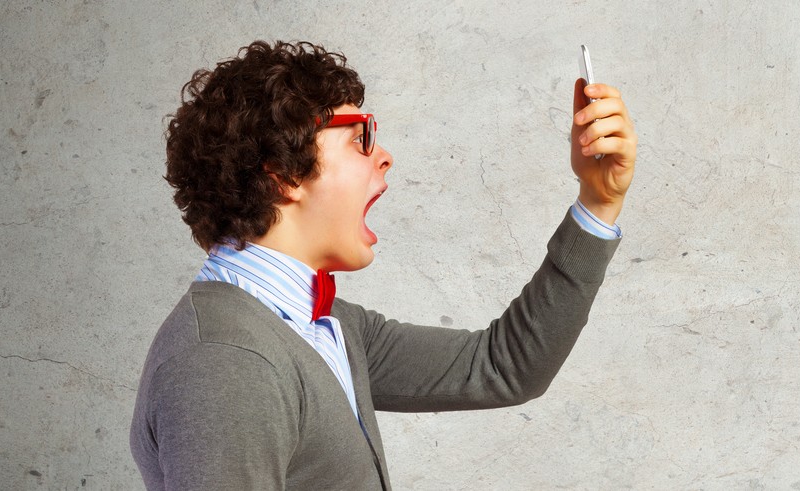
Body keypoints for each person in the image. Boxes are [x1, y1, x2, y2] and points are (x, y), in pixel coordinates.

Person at [129, 40, 637, 490]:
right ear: (284, 174)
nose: (385, 155)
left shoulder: (325, 325)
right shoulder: (224, 361)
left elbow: (502, 366)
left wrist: (598, 202)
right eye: (360, 138)